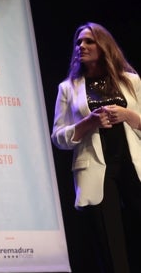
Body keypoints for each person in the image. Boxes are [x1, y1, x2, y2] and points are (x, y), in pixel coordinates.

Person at [51, 22, 141, 273]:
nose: (81, 46)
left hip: (134, 166)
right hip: (96, 171)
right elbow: (58, 138)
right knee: (111, 249)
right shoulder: (68, 89)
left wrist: (127, 115)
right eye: (78, 42)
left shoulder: (131, 81)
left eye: (89, 41)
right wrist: (87, 122)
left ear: (104, 46)